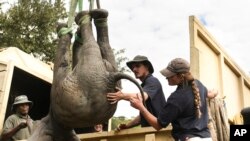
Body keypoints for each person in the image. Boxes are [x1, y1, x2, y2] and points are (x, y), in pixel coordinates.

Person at [130, 58, 217, 141]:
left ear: (180, 76)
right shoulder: (199, 85)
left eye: (169, 75)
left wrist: (140, 107)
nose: (166, 77)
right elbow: (210, 94)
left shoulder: (176, 98)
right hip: (207, 138)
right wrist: (216, 92)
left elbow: (158, 125)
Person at [107, 55, 166, 130]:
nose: (134, 69)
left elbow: (141, 96)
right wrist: (127, 126)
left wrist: (122, 96)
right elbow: (143, 116)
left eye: (137, 66)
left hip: (159, 133)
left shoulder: (152, 81)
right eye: (132, 68)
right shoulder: (145, 85)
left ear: (147, 67)